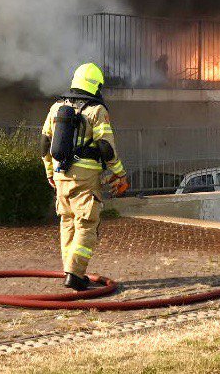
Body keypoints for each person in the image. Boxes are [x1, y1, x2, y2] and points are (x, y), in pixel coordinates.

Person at [40, 63, 129, 290]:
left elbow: (44, 143)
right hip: (85, 177)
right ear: (96, 85)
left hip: (61, 174)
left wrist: (50, 171)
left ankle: (70, 270)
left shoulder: (56, 107)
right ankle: (75, 274)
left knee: (67, 222)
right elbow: (106, 148)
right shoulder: (97, 111)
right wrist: (119, 173)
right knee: (87, 223)